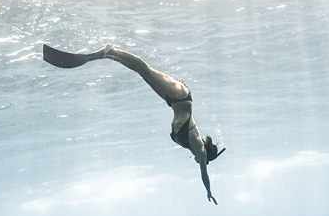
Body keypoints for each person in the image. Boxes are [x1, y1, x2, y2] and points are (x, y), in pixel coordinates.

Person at [43, 44, 225, 204]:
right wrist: (208, 191)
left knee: (142, 73)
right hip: (181, 95)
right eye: (205, 161)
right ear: (207, 156)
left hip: (172, 101)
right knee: (146, 70)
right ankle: (109, 50)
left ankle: (110, 55)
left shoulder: (191, 146)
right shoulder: (199, 151)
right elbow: (204, 174)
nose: (200, 162)